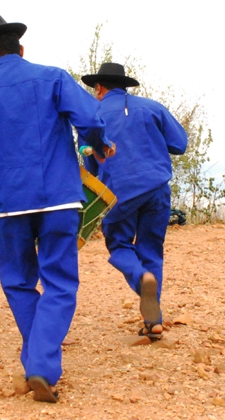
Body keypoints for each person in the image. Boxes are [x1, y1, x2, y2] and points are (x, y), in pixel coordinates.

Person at [0, 14, 114, 403]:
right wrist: (99, 142)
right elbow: (90, 118)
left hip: (9, 205)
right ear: (20, 50)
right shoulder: (54, 77)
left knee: (17, 281)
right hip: (59, 197)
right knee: (60, 281)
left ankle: (38, 360)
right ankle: (42, 364)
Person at [79, 62, 187, 341]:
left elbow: (90, 166)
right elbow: (180, 144)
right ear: (124, 86)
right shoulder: (152, 107)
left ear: (99, 88)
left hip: (119, 193)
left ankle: (141, 278)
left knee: (119, 245)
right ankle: (153, 321)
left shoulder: (93, 116)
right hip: (157, 189)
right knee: (152, 249)